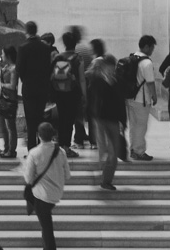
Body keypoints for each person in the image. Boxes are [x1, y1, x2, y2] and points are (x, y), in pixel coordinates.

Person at [23, 121, 70, 250]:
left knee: (47, 227)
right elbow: (67, 175)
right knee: (45, 222)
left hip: (42, 195)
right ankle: (45, 247)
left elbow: (29, 179)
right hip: (56, 193)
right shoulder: (61, 151)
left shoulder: (35, 153)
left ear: (38, 136)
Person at [85, 54, 126, 190]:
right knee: (102, 148)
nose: (110, 70)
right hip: (100, 119)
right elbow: (91, 101)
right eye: (108, 67)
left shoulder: (118, 81)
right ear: (103, 67)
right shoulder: (97, 81)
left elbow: (121, 103)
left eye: (112, 67)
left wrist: (123, 121)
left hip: (113, 120)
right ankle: (99, 169)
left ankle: (106, 180)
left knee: (113, 152)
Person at [17, 20, 54, 150]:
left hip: (29, 87)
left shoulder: (23, 48)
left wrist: (25, 80)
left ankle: (32, 148)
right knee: (40, 118)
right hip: (42, 87)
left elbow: (20, 69)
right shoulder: (45, 48)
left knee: (30, 120)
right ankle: (42, 147)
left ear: (26, 31)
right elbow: (49, 68)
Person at [51, 31, 84, 157]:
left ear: (64, 43)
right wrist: (84, 95)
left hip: (59, 92)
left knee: (61, 119)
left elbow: (51, 75)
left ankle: (60, 145)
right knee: (69, 120)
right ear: (75, 43)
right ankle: (66, 147)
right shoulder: (78, 58)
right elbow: (81, 79)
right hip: (72, 93)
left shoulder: (57, 57)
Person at [127, 36, 158, 161]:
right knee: (141, 126)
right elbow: (150, 82)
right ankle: (139, 151)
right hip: (141, 99)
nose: (152, 50)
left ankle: (133, 149)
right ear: (146, 46)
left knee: (133, 125)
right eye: (151, 47)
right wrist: (154, 96)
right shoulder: (147, 63)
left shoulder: (132, 57)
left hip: (130, 98)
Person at [0, 46, 19, 158]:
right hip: (3, 99)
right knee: (3, 126)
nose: (1, 56)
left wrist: (2, 85)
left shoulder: (14, 69)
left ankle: (11, 150)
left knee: (10, 126)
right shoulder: (6, 67)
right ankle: (6, 148)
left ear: (8, 56)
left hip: (10, 100)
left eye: (3, 54)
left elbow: (13, 86)